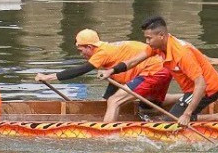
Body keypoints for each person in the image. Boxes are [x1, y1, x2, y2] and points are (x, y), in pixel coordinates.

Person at [36, 29, 165, 123]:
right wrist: (104, 102)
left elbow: (81, 70)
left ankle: (106, 135)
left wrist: (48, 77)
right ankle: (178, 102)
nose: (81, 54)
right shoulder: (107, 50)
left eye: (81, 51)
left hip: (153, 69)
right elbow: (115, 79)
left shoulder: (102, 53)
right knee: (148, 102)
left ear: (89, 47)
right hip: (159, 67)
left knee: (114, 101)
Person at [140, 16, 218, 123]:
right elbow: (133, 62)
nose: (147, 42)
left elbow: (201, 84)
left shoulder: (181, 54)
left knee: (172, 121)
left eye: (149, 38)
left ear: (161, 35)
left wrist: (187, 114)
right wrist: (117, 69)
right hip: (193, 88)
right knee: (173, 116)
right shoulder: (160, 45)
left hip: (207, 89)